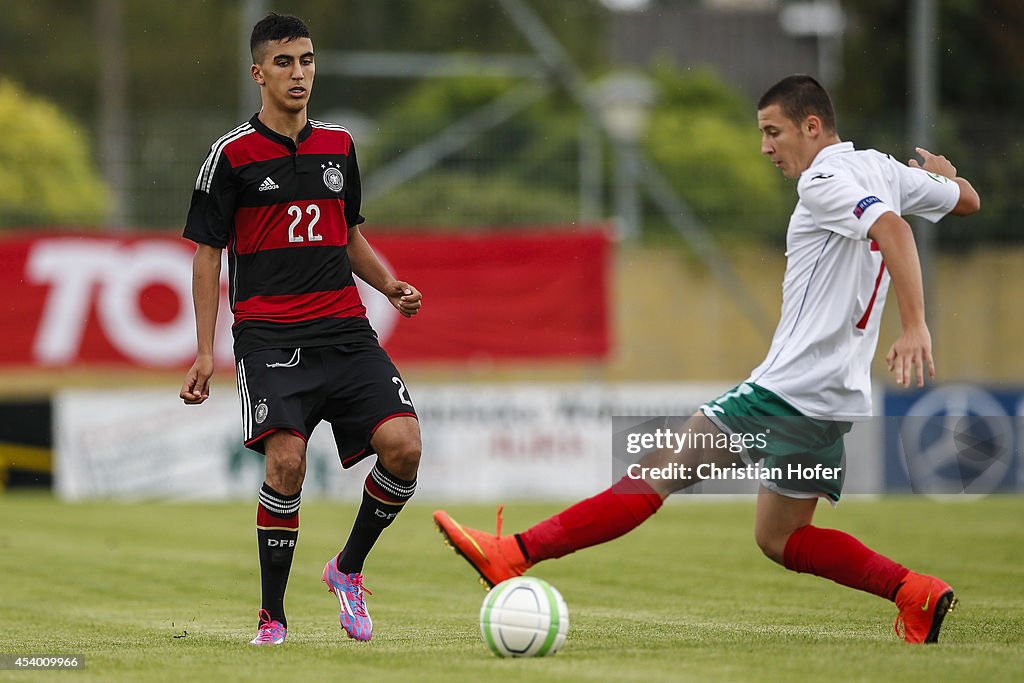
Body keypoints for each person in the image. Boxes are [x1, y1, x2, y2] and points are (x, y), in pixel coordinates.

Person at [434, 74, 981, 645]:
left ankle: (513, 555)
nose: (765, 147)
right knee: (781, 537)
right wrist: (945, 178)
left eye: (774, 132)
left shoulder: (823, 178)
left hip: (785, 392)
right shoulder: (884, 170)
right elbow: (966, 201)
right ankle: (915, 592)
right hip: (831, 399)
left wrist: (916, 325)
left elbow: (892, 229)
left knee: (655, 473)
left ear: (812, 126)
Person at [179, 13, 423, 646]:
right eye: (284, 62)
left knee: (405, 447)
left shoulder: (338, 145)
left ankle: (347, 570)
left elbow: (347, 235)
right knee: (286, 463)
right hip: (269, 337)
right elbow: (207, 256)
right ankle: (272, 615)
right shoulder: (229, 157)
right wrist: (206, 352)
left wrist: (389, 285)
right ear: (258, 73)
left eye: (307, 60)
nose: (299, 73)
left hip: (344, 329)